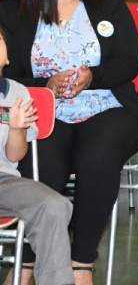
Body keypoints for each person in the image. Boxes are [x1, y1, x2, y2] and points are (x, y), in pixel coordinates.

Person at [0, 0, 138, 283]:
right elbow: (7, 73)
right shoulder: (12, 8)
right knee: (43, 158)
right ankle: (31, 261)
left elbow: (130, 61)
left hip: (108, 105)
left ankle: (81, 263)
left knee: (97, 154)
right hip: (43, 110)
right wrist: (46, 84)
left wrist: (92, 77)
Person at [0, 26, 75, 285]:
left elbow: (16, 155)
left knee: (55, 205)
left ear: (7, 57)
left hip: (4, 181)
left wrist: (16, 128)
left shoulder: (18, 94)